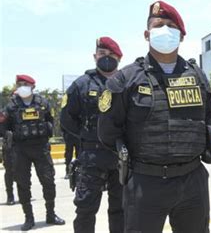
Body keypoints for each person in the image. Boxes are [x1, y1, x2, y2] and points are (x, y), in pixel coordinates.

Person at [97, 0, 211, 233]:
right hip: (145, 183)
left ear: (181, 36)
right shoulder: (126, 79)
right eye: (158, 25)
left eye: (171, 26)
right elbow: (108, 132)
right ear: (147, 34)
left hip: (192, 182)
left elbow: (207, 119)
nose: (164, 30)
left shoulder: (198, 77)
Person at [60, 37, 124, 233]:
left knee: (120, 210)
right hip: (91, 157)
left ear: (119, 58)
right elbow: (66, 118)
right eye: (102, 54)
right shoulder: (82, 85)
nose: (107, 58)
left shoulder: (127, 82)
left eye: (111, 55)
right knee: (85, 210)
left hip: (120, 156)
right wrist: (86, 135)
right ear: (95, 56)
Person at [3, 75, 65, 230]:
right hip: (20, 149)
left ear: (33, 86)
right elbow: (3, 126)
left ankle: (50, 214)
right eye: (19, 84)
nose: (22, 86)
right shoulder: (11, 106)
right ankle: (28, 218)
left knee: (48, 181)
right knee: (23, 184)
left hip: (41, 148)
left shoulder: (43, 103)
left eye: (25, 84)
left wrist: (48, 130)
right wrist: (8, 136)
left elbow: (50, 120)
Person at [0, 110, 16, 205]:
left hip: (23, 146)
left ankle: (25, 195)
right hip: (9, 148)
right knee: (9, 172)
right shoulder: (6, 112)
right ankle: (10, 196)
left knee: (23, 173)